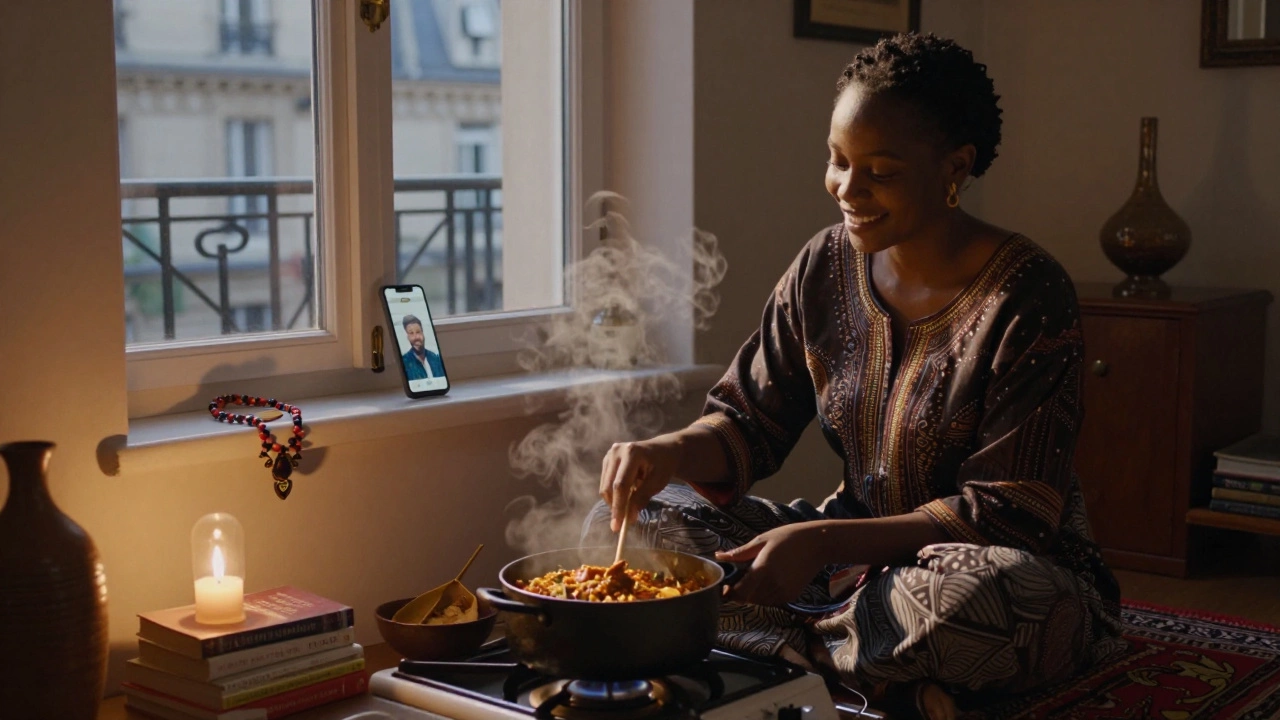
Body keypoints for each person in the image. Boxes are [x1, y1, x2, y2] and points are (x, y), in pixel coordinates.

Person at [587, 33, 1124, 720]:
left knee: (993, 603)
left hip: (984, 570)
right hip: (843, 559)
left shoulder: (1027, 294)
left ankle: (752, 643)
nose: (847, 188)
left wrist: (817, 545)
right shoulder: (825, 265)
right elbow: (748, 421)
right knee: (632, 522)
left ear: (955, 166)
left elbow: (1005, 516)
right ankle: (873, 672)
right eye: (837, 161)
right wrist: (664, 452)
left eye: (881, 171)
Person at [400, 314, 444, 380]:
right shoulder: (405, 362)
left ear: (423, 333)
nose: (416, 337)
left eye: (418, 332)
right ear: (408, 337)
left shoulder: (435, 358)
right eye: (411, 333)